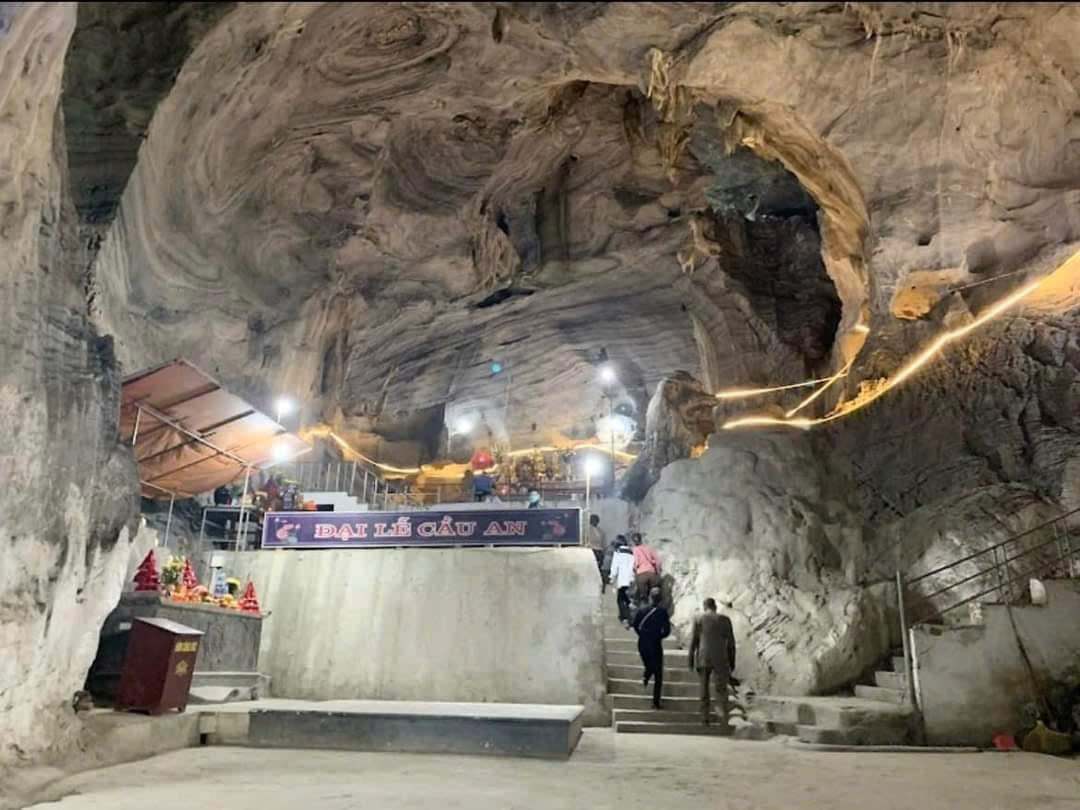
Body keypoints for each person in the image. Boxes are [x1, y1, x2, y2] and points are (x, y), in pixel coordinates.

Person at [689, 597, 737, 727]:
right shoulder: (725, 620)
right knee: (721, 689)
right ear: (715, 606)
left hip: (703, 657)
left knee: (704, 688)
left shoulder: (698, 619)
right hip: (720, 658)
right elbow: (731, 643)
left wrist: (690, 659)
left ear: (704, 607)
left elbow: (694, 641)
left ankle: (705, 718)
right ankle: (722, 718)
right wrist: (732, 661)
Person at [632, 587, 671, 709]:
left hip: (643, 642)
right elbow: (667, 631)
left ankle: (646, 675)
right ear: (660, 599)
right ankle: (655, 702)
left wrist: (643, 634)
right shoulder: (662, 612)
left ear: (650, 597)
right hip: (655, 643)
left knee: (649, 665)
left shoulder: (642, 610)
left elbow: (635, 625)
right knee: (658, 673)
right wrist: (659, 635)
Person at [608, 537, 634, 626]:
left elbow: (615, 566)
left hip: (622, 580)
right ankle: (631, 616)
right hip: (631, 579)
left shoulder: (618, 552)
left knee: (621, 600)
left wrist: (612, 577)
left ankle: (625, 619)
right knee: (629, 599)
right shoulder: (631, 551)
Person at [631, 532, 661, 604]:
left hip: (641, 575)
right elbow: (658, 561)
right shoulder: (649, 548)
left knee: (643, 596)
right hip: (652, 574)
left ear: (633, 541)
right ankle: (656, 605)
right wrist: (658, 572)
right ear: (641, 539)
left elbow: (636, 564)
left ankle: (643, 605)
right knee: (655, 593)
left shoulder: (635, 550)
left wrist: (634, 570)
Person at [587, 514, 607, 579]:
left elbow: (604, 544)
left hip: (596, 552)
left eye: (596, 520)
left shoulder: (601, 531)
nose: (595, 522)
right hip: (592, 551)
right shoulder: (587, 530)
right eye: (593, 520)